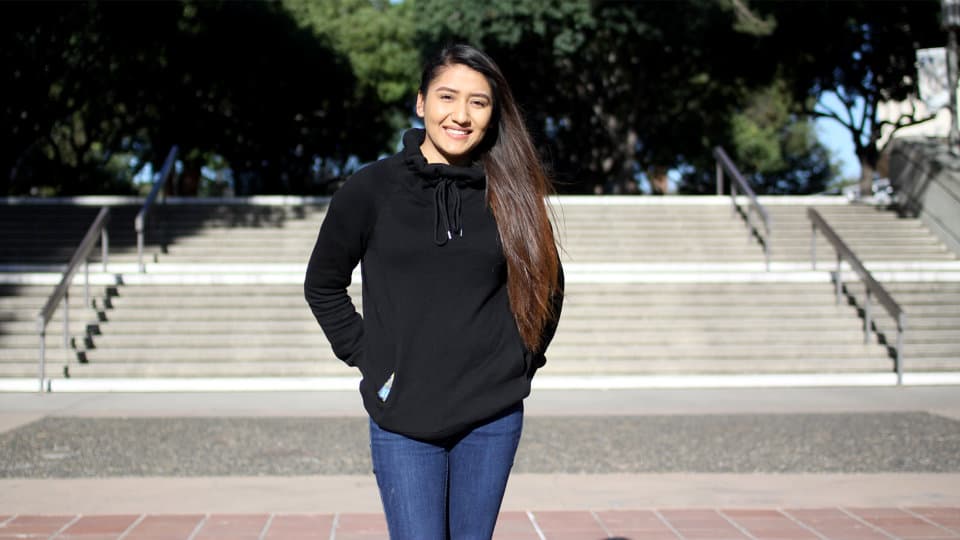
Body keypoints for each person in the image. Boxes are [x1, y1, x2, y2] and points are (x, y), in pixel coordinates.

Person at [304, 43, 563, 540]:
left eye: (478, 102)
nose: (460, 115)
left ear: (493, 115)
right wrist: (371, 358)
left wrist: (521, 360)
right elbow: (323, 283)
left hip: (491, 415)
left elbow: (548, 285)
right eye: (447, 97)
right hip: (403, 416)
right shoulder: (371, 188)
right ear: (421, 103)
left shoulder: (511, 191)